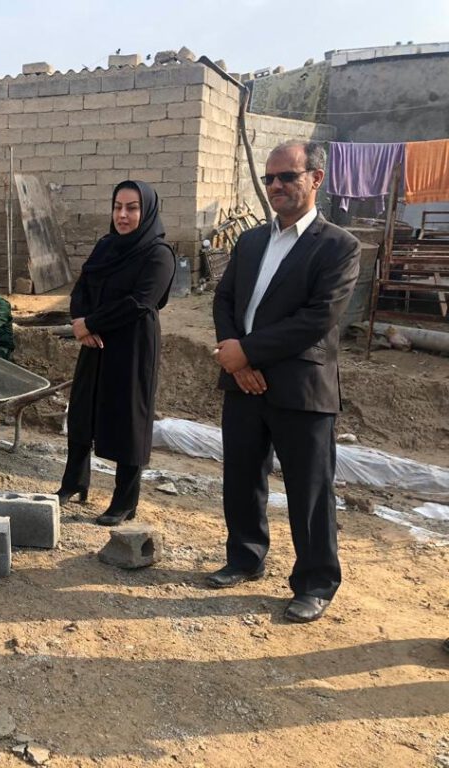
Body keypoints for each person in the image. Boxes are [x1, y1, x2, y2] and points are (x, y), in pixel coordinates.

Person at [209, 140, 361, 624]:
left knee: (309, 489)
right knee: (242, 476)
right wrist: (235, 358)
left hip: (301, 387)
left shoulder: (338, 246)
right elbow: (224, 299)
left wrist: (248, 352)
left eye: (287, 176)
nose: (275, 185)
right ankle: (245, 556)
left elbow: (317, 318)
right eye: (270, 178)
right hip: (242, 381)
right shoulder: (252, 241)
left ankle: (315, 582)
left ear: (316, 178)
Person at [56, 180, 176, 527]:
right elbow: (82, 286)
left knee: (129, 418)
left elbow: (140, 302)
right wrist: (80, 321)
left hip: (132, 346)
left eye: (132, 208)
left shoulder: (158, 254)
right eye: (117, 207)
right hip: (94, 342)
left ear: (147, 211)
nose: (122, 215)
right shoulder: (106, 246)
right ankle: (74, 483)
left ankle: (125, 501)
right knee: (83, 410)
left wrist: (90, 323)